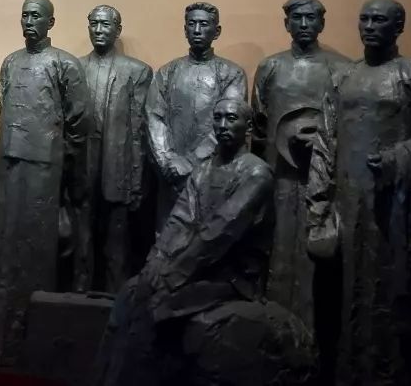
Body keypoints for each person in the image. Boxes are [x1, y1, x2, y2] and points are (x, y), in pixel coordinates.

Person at [310, 0, 411, 386]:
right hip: (348, 204)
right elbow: (325, 141)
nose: (369, 26)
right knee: (346, 296)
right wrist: (319, 204)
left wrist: (398, 159)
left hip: (395, 210)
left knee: (389, 296)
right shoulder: (343, 77)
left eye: (379, 20)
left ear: (398, 27)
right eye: (364, 18)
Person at [97, 99, 316, 386]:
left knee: (157, 307)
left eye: (231, 119)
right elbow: (179, 221)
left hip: (232, 277)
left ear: (248, 126)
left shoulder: (257, 174)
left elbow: (219, 233)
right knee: (130, 292)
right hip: (196, 269)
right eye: (218, 118)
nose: (223, 125)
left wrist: (173, 274)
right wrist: (156, 262)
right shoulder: (202, 171)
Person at [0, 0, 91, 366]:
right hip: (9, 165)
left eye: (36, 16)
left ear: (50, 22)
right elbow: (3, 109)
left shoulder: (65, 64)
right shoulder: (10, 61)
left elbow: (78, 123)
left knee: (36, 250)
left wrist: (65, 171)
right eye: (24, 15)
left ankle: (29, 342)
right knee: (3, 247)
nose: (28, 21)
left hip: (45, 168)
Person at [251, 0, 349, 345]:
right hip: (278, 177)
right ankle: (273, 336)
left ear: (322, 23)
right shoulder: (270, 67)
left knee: (315, 257)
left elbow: (346, 127)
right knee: (276, 251)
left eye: (310, 18)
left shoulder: (341, 69)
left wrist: (320, 143)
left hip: (322, 181)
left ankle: (314, 341)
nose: (304, 24)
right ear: (286, 24)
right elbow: (258, 125)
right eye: (297, 18)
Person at [147, 1, 247, 224]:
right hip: (171, 177)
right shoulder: (167, 72)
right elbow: (154, 118)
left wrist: (191, 162)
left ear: (217, 31)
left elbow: (229, 122)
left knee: (210, 234)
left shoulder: (231, 73)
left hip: (215, 172)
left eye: (204, 24)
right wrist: (167, 162)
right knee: (168, 234)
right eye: (192, 24)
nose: (197, 30)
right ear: (185, 30)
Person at [77, 4, 152, 292]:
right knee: (81, 241)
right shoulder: (74, 67)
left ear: (117, 30)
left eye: (105, 24)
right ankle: (78, 297)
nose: (99, 30)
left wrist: (137, 180)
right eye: (94, 24)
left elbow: (140, 131)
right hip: (83, 165)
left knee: (116, 244)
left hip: (118, 167)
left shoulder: (137, 71)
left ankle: (114, 302)